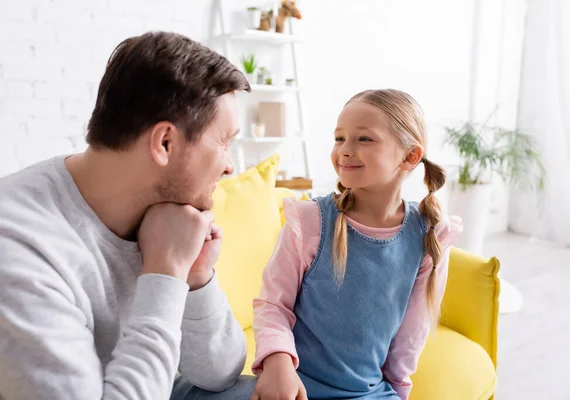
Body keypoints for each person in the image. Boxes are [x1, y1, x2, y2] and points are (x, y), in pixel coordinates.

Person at [0, 31, 257, 400]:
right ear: (164, 143)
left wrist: (196, 276)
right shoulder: (20, 251)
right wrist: (166, 274)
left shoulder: (166, 218)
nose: (231, 167)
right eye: (224, 142)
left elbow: (220, 374)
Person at [251, 89, 463, 400]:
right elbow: (273, 306)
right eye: (339, 138)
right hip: (293, 387)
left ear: (409, 156)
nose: (345, 150)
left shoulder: (428, 235)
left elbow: (411, 334)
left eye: (364, 139)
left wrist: (398, 392)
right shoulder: (309, 220)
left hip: (370, 393)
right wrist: (277, 363)